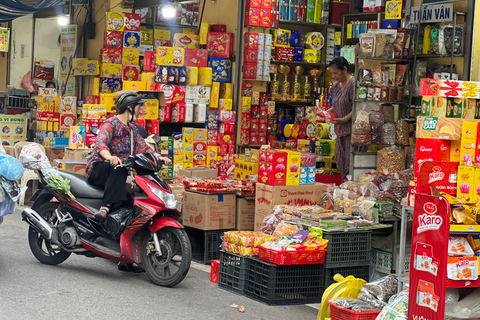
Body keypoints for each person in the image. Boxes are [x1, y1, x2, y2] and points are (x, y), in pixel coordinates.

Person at [85, 91, 171, 221]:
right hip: (99, 169)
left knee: (128, 201)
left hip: (119, 173)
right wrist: (109, 157)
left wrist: (159, 157)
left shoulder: (133, 130)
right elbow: (100, 144)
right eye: (138, 107)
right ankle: (105, 207)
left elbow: (144, 147)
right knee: (118, 168)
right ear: (129, 107)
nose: (140, 111)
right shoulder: (109, 125)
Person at [326, 57, 354, 180]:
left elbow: (358, 107)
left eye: (336, 73)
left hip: (351, 132)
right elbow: (337, 105)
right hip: (339, 132)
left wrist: (344, 119)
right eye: (332, 73)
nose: (333, 76)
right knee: (340, 163)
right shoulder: (336, 86)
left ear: (345, 69)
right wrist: (326, 112)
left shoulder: (353, 84)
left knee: (350, 164)